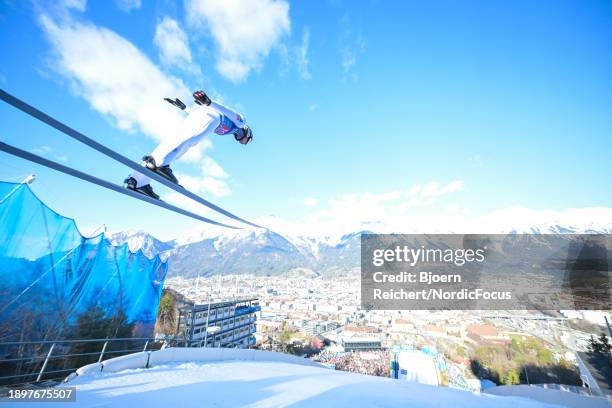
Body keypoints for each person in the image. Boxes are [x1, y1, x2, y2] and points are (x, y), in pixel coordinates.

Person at [124, 90, 253, 199]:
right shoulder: (241, 122)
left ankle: (137, 181)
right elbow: (228, 111)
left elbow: (202, 114)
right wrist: (209, 102)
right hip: (214, 116)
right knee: (190, 141)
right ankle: (160, 165)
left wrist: (184, 108)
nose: (240, 140)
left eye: (241, 141)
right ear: (247, 132)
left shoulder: (229, 131)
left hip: (202, 114)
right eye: (245, 139)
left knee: (177, 139)